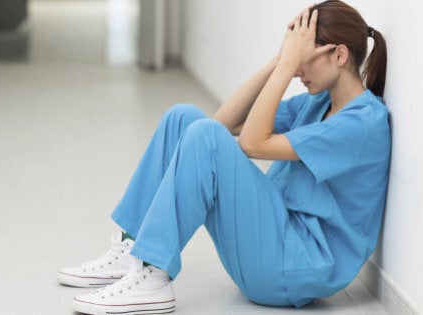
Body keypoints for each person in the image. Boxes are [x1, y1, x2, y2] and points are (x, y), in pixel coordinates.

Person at [58, 0, 390, 313]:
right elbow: (223, 122)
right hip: (275, 239)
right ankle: (133, 248)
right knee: (184, 118)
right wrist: (278, 60)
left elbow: (251, 143)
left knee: (205, 135)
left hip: (294, 268)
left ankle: (153, 275)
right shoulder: (318, 104)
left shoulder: (362, 124)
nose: (297, 70)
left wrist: (288, 63)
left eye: (303, 59)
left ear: (339, 55)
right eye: (295, 58)